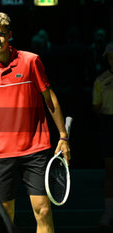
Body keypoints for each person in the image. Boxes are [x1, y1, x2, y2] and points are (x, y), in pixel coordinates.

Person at [0, 12, 70, 233]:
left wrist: (63, 136)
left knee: (43, 211)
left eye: (1, 34)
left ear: (9, 35)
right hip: (0, 154)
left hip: (35, 149)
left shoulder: (31, 61)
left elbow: (50, 98)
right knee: (4, 216)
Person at [92, 42, 113, 228]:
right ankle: (108, 213)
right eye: (111, 56)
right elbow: (96, 107)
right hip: (109, 124)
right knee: (110, 170)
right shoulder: (101, 80)